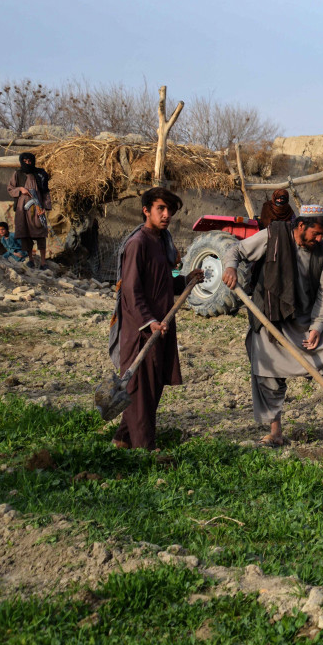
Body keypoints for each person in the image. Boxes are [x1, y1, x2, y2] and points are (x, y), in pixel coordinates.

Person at [221, 204, 323, 446]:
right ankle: (275, 431)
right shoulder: (273, 237)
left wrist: (317, 328)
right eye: (316, 233)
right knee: (268, 373)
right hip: (271, 317)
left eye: (322, 234)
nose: (320, 238)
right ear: (301, 226)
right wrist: (230, 267)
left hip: (306, 320)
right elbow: (235, 250)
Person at [108, 187, 202, 450]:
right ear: (146, 210)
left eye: (169, 210)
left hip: (161, 325)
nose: (166, 214)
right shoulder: (137, 243)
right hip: (140, 329)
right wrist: (148, 321)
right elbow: (131, 290)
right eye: (161, 208)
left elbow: (165, 283)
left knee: (151, 385)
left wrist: (186, 280)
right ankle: (144, 447)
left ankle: (123, 438)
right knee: (140, 389)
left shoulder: (163, 240)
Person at [6, 152, 52, 269]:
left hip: (38, 208)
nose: (27, 163)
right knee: (25, 234)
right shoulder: (18, 174)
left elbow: (46, 192)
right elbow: (10, 189)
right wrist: (20, 189)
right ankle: (30, 260)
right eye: (25, 161)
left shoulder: (40, 174)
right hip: (23, 210)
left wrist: (45, 208)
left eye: (29, 161)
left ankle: (43, 262)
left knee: (41, 233)